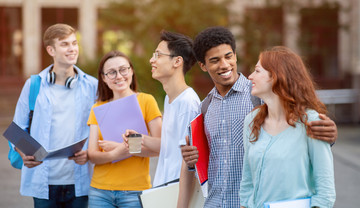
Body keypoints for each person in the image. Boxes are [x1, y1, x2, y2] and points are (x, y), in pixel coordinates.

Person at [178, 26, 338, 207]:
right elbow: (207, 160)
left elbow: (299, 134)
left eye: (228, 56)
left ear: (235, 55)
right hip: (214, 202)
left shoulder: (260, 96)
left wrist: (329, 135)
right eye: (215, 60)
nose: (224, 65)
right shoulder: (205, 107)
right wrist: (192, 160)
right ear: (203, 66)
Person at [12, 23, 98, 207]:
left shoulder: (93, 86)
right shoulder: (33, 85)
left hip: (81, 182)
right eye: (65, 44)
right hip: (43, 182)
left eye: (74, 43)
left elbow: (104, 127)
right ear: (51, 49)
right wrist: (23, 152)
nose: (72, 49)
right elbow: (17, 128)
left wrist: (90, 153)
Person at [239, 46, 336, 208]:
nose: (250, 77)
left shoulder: (311, 121)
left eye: (257, 71)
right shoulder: (251, 121)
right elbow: (247, 182)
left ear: (276, 76)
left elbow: (325, 192)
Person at [87, 50, 162, 208]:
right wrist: (116, 153)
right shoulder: (97, 108)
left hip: (135, 191)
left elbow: (160, 147)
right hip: (100, 191)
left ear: (131, 71)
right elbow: (92, 155)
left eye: (123, 69)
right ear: (103, 77)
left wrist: (120, 148)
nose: (119, 76)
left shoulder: (147, 101)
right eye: (112, 72)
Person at [149, 30, 200, 187]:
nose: (152, 60)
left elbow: (189, 164)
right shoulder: (169, 98)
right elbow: (168, 148)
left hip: (175, 192)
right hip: (162, 190)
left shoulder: (189, 103)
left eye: (158, 55)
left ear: (177, 61)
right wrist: (140, 139)